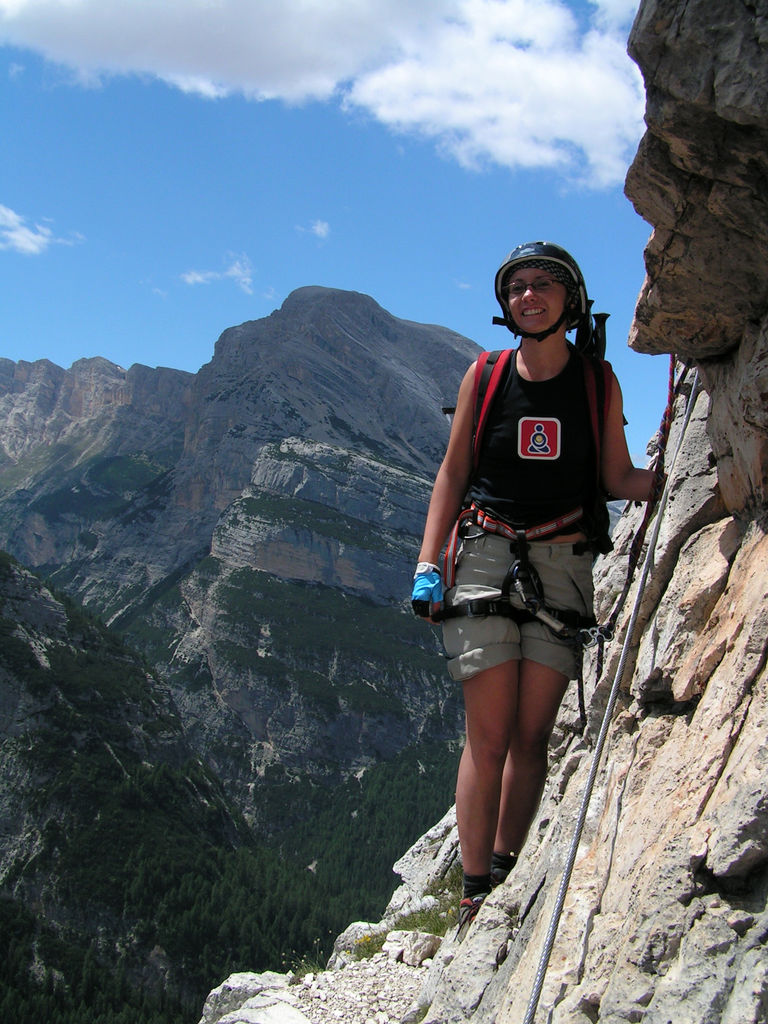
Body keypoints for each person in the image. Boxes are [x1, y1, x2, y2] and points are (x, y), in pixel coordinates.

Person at [411, 241, 655, 938]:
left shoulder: (595, 382)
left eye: (544, 283)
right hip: (486, 556)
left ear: (569, 300)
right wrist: (429, 560)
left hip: (562, 562)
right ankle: (473, 890)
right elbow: (453, 473)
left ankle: (506, 866)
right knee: (487, 737)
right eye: (516, 286)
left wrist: (679, 469)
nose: (528, 295)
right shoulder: (485, 375)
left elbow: (616, 479)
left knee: (532, 737)